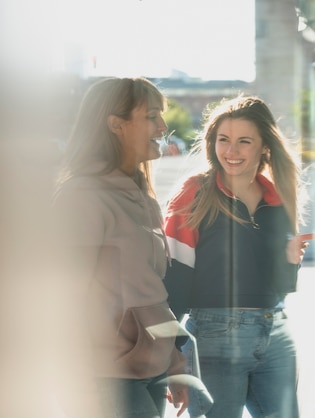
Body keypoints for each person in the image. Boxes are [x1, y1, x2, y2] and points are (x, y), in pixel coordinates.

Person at [51, 76, 208, 418]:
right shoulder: (82, 196)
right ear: (116, 125)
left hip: (147, 371)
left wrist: (175, 362)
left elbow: (152, 295)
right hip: (103, 377)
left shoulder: (141, 195)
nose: (163, 126)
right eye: (152, 116)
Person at [162, 95, 315, 418]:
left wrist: (290, 262)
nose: (231, 151)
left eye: (243, 142)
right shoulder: (194, 194)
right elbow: (172, 283)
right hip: (211, 338)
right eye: (224, 140)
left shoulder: (278, 198)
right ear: (212, 143)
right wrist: (170, 353)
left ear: (264, 146)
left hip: (274, 331)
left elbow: (279, 288)